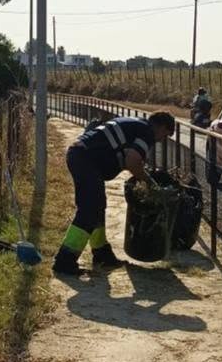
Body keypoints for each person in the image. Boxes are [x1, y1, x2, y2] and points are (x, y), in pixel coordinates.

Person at [53, 112, 176, 276]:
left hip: (81, 155)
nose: (161, 140)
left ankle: (102, 254)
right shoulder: (147, 132)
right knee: (89, 210)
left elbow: (125, 155)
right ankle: (65, 260)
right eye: (165, 135)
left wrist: (138, 169)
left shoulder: (136, 124)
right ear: (161, 127)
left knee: (97, 207)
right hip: (86, 160)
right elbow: (132, 161)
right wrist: (149, 183)